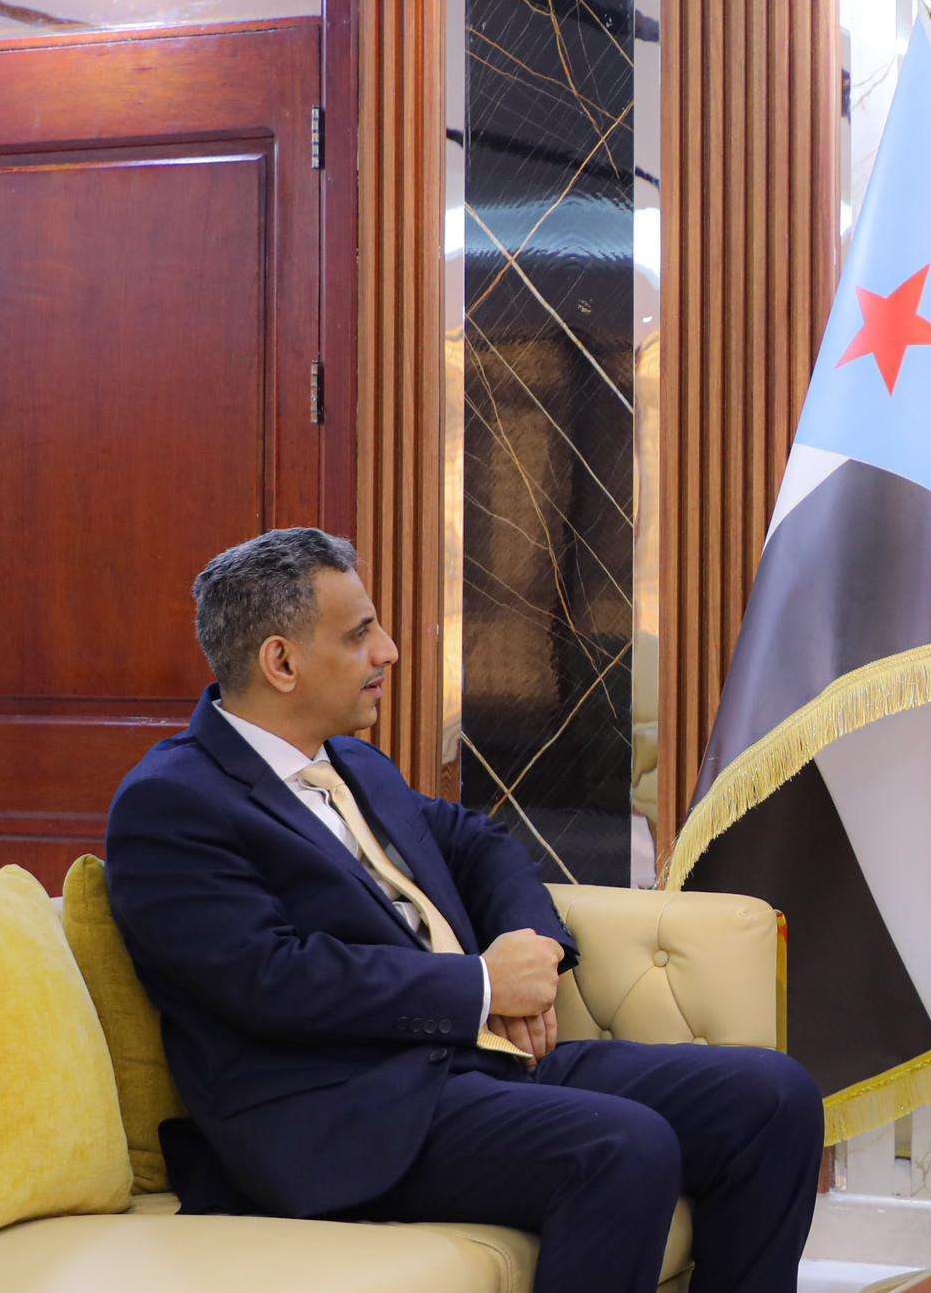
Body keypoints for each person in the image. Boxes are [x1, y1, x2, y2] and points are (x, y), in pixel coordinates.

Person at [105, 527, 820, 1293]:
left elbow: (479, 843)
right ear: (281, 662)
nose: (389, 652)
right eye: (359, 635)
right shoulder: (172, 803)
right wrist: (480, 987)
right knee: (622, 1145)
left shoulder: (352, 763)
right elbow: (269, 977)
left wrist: (527, 949)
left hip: (478, 1065)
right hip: (344, 1116)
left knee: (773, 1099)